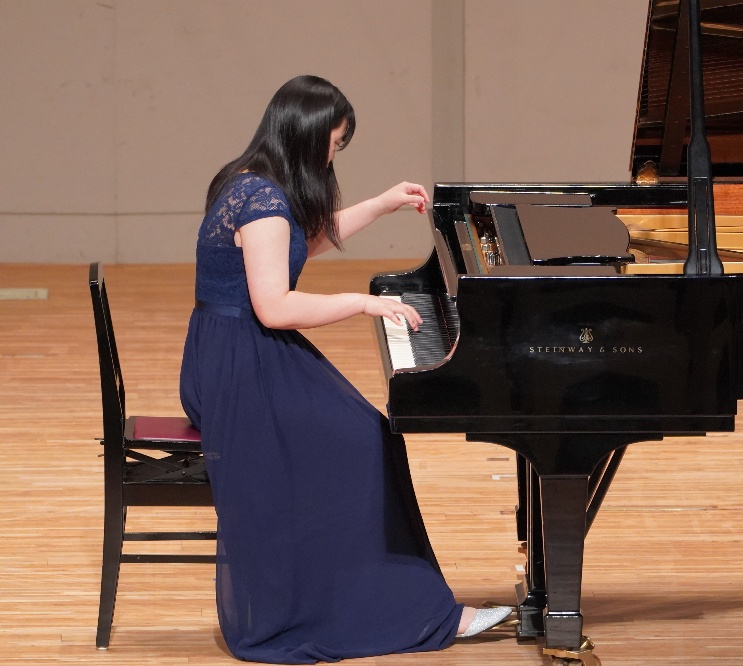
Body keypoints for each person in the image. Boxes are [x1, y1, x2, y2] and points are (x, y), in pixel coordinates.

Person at [179, 74, 511, 664]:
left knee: (364, 434)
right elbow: (275, 307)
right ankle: (397, 611)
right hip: (241, 364)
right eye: (333, 144)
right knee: (364, 441)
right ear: (307, 137)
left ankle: (362, 597)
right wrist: (363, 303)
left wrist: (381, 204)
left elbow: (302, 244)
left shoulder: (248, 180)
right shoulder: (263, 202)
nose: (333, 156)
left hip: (231, 350)